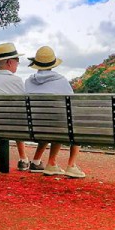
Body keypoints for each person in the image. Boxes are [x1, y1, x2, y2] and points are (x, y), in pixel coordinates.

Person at [24, 46, 85, 178]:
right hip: (57, 127)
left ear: (36, 64)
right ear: (53, 64)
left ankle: (51, 163)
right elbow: (72, 105)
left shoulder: (28, 82)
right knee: (69, 122)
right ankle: (71, 165)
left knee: (53, 121)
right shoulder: (61, 81)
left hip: (35, 128)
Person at [0, 42, 30, 171]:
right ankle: (23, 158)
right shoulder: (16, 80)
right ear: (10, 62)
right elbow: (24, 106)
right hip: (12, 127)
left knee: (13, 115)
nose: (18, 64)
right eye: (17, 61)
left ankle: (24, 158)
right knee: (18, 115)